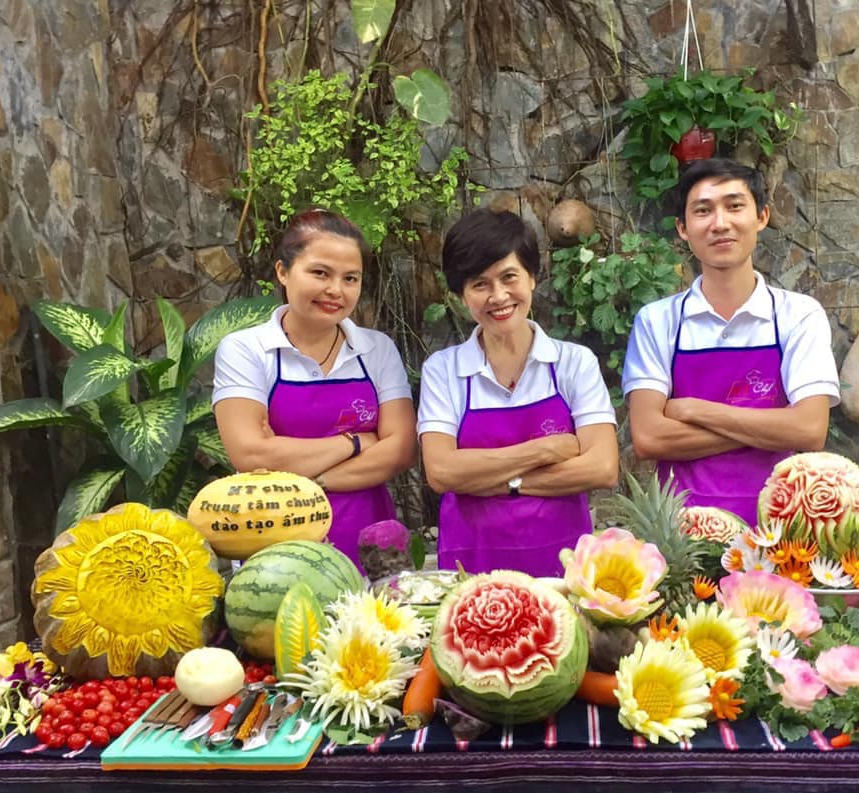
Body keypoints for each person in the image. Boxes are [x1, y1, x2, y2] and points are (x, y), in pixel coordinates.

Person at [622, 158, 840, 525]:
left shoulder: (799, 315)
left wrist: (692, 409)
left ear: (761, 217)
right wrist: (771, 428)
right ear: (683, 229)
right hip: (685, 531)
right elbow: (649, 438)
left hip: (782, 525)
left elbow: (809, 430)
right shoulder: (658, 322)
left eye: (735, 206)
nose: (720, 223)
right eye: (703, 211)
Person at [418, 208, 619, 577]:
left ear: (532, 278)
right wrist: (545, 450)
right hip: (471, 563)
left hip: (564, 564)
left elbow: (602, 467)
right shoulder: (442, 370)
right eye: (479, 284)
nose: (498, 296)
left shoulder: (574, 363)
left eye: (509, 277)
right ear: (461, 294)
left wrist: (493, 481)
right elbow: (443, 472)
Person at [213, 209, 416, 569]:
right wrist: (354, 442)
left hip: (371, 543)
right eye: (320, 273)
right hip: (276, 547)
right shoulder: (246, 349)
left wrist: (310, 479)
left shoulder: (377, 349)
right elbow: (250, 454)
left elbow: (400, 450)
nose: (336, 290)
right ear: (283, 272)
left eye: (350, 278)